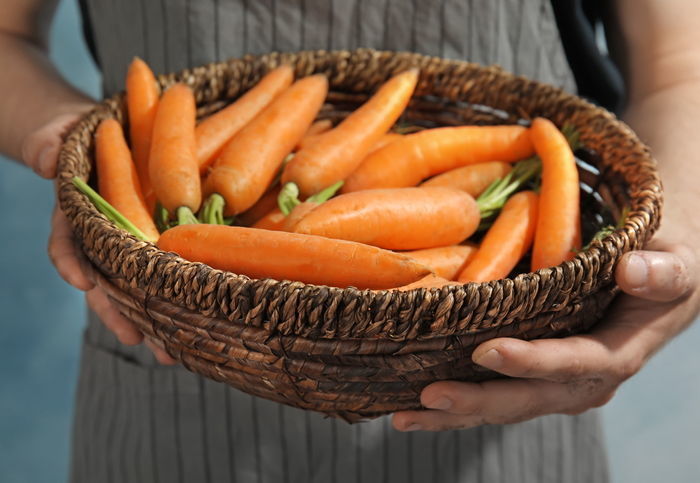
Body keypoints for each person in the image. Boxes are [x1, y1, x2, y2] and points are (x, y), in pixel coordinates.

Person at [1, 0, 698, 481]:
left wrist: (677, 246)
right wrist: (74, 147)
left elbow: (681, 67)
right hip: (177, 367)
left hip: (505, 380)